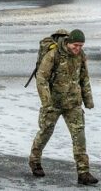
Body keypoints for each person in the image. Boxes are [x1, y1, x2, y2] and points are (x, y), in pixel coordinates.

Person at [29, 29, 96, 185]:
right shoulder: (53, 55)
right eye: (75, 45)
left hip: (73, 103)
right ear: (68, 42)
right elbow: (41, 79)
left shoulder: (80, 55)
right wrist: (47, 102)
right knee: (45, 132)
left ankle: (83, 172)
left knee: (79, 136)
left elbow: (84, 78)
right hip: (53, 103)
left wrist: (88, 100)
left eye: (80, 46)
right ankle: (35, 161)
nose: (77, 48)